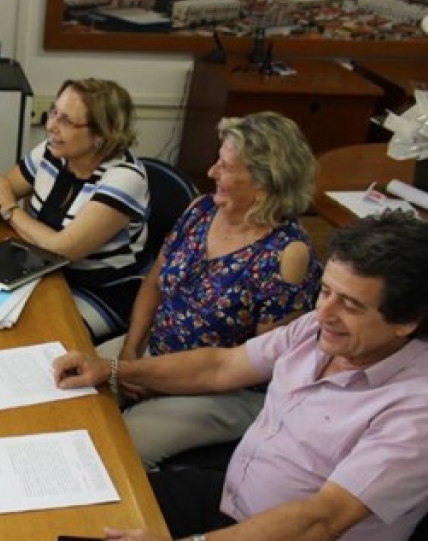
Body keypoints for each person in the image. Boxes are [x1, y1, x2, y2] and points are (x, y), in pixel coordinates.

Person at [54, 211, 428, 540]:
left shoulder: (416, 413)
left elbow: (321, 521)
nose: (324, 313)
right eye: (326, 291)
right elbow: (221, 367)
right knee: (81, 506)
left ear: (407, 321)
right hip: (232, 499)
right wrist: (114, 370)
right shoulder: (317, 329)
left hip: (286, 534)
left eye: (350, 304)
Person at [95, 111, 321, 469]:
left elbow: (256, 365)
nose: (213, 172)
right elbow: (155, 282)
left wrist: (153, 379)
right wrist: (130, 348)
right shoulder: (200, 210)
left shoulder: (287, 254)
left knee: (120, 452)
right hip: (157, 350)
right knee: (68, 391)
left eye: (226, 167)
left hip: (223, 389)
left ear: (264, 181)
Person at [0, 78, 148, 341]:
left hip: (98, 290)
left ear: (101, 134)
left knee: (31, 341)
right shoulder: (53, 152)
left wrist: (10, 209)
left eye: (67, 121)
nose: (51, 126)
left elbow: (63, 249)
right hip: (40, 273)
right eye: (53, 112)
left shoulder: (125, 178)